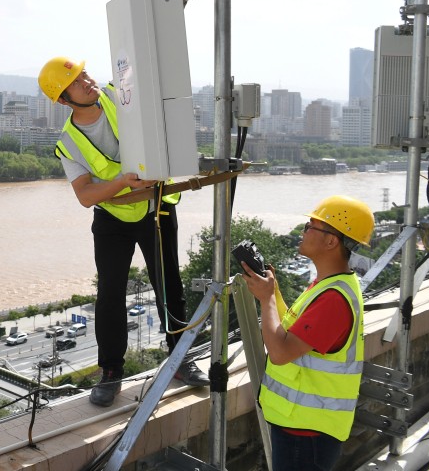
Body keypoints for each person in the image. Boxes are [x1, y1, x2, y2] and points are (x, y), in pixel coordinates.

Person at [39, 57, 209, 408]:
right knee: (110, 294)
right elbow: (86, 195)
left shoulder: (119, 97)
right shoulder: (70, 143)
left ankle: (180, 359)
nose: (87, 81)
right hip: (112, 220)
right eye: (76, 81)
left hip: (155, 207)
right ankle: (111, 371)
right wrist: (120, 183)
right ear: (63, 99)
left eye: (84, 74)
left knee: (169, 285)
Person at [240, 195, 371, 471]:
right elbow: (295, 332)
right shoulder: (328, 285)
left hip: (307, 434)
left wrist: (265, 301)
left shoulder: (333, 299)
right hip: (300, 426)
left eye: (311, 226)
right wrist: (273, 293)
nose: (304, 231)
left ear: (331, 241)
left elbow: (280, 352)